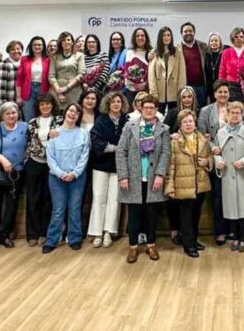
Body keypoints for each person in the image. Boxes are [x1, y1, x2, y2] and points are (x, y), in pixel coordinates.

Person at [117, 95, 171, 263]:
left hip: (153, 177)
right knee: (134, 213)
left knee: (151, 214)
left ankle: (151, 245)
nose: (148, 110)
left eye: (151, 108)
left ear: (156, 109)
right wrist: (123, 176)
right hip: (133, 177)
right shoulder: (130, 126)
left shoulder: (163, 129)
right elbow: (121, 151)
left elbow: (165, 153)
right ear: (140, 108)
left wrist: (160, 174)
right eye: (145, 107)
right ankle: (133, 247)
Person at [199, 80, 244, 245]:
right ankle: (220, 231)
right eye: (219, 92)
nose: (223, 94)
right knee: (219, 196)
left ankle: (234, 230)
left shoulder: (236, 107)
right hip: (217, 157)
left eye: (225, 92)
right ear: (214, 94)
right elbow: (202, 134)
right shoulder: (206, 111)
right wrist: (213, 147)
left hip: (237, 157)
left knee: (235, 195)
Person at [212, 101, 244, 252]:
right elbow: (216, 153)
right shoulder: (221, 133)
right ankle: (234, 237)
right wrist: (218, 162)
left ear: (242, 115)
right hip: (228, 176)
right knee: (231, 208)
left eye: (238, 113)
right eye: (232, 113)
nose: (235, 115)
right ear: (226, 114)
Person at [42, 102, 91, 253]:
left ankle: (75, 238)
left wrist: (74, 173)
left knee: (75, 208)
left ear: (79, 116)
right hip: (57, 178)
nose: (72, 114)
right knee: (58, 209)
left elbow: (84, 156)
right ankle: (52, 240)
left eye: (76, 112)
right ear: (65, 113)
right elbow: (50, 157)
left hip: (77, 177)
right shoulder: (54, 133)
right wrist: (61, 174)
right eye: (70, 110)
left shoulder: (83, 134)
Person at [165, 110, 212, 258]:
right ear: (180, 124)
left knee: (196, 215)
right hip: (183, 184)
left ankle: (194, 240)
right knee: (185, 217)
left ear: (195, 123)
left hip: (199, 184)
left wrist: (207, 162)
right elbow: (170, 166)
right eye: (184, 122)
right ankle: (188, 244)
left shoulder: (202, 139)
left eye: (190, 121)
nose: (188, 124)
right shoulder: (174, 142)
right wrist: (169, 187)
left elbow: (210, 157)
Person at [0, 102, 28, 250]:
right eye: (7, 113)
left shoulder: (25, 127)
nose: (11, 115)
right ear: (2, 115)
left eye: (13, 112)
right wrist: (2, 160)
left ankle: (6, 235)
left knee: (11, 205)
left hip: (16, 173)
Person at [89, 92, 129, 248]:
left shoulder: (127, 121)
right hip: (100, 165)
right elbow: (95, 140)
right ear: (108, 104)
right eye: (113, 102)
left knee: (114, 200)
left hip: (119, 167)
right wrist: (114, 148)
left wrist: (121, 150)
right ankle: (96, 232)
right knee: (99, 198)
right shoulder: (101, 120)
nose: (116, 104)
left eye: (119, 101)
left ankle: (109, 232)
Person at [23, 94, 62, 247]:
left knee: (48, 199)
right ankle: (32, 233)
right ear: (38, 107)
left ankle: (44, 233)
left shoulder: (59, 121)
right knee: (33, 198)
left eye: (47, 104)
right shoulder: (32, 122)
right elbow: (29, 141)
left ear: (52, 105)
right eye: (42, 104)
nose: (45, 107)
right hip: (34, 162)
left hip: (52, 164)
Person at [148, 26, 187, 112]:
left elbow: (182, 73)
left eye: (168, 35)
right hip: (159, 92)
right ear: (160, 37)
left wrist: (181, 91)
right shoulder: (154, 53)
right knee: (158, 116)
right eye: (164, 35)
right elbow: (151, 75)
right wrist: (153, 92)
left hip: (174, 92)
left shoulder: (178, 51)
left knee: (174, 116)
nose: (166, 37)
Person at [219, 27, 244, 103]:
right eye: (236, 37)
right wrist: (221, 86)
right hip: (230, 86)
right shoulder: (226, 52)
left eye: (241, 37)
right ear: (232, 38)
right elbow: (222, 70)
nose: (239, 39)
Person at [16, 36, 49, 122]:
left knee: (43, 118)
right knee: (29, 119)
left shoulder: (48, 59)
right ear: (31, 46)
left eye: (39, 45)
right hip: (28, 91)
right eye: (35, 45)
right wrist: (18, 97)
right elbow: (19, 79)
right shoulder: (24, 59)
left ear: (43, 46)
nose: (37, 47)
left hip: (43, 91)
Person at [49, 31, 86, 108]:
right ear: (60, 43)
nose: (66, 42)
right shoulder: (54, 57)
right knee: (57, 113)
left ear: (72, 42)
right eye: (63, 40)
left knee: (74, 112)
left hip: (74, 91)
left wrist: (67, 88)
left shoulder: (79, 55)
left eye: (68, 40)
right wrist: (59, 91)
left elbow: (81, 74)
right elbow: (51, 76)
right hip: (57, 91)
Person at [180, 22, 210, 108]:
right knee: (187, 110)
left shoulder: (203, 46)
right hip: (186, 87)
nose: (188, 33)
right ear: (181, 34)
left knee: (201, 110)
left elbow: (216, 50)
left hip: (201, 87)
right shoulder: (177, 49)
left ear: (194, 32)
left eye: (190, 31)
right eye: (185, 31)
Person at [124, 27, 152, 102]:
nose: (140, 38)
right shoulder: (129, 52)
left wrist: (145, 84)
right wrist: (135, 84)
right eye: (137, 36)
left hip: (146, 90)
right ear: (134, 38)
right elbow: (127, 71)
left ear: (146, 38)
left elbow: (153, 72)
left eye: (142, 35)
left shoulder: (151, 52)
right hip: (131, 91)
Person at [0, 40, 23, 114]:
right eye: (13, 49)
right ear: (8, 51)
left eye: (18, 49)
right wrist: (3, 106)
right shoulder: (4, 64)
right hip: (9, 103)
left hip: (23, 103)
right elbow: (0, 88)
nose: (16, 51)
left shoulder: (24, 64)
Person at [204, 32, 225, 103]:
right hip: (209, 86)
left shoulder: (224, 54)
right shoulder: (206, 55)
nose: (214, 42)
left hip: (221, 85)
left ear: (220, 43)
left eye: (216, 41)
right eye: (212, 41)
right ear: (209, 43)